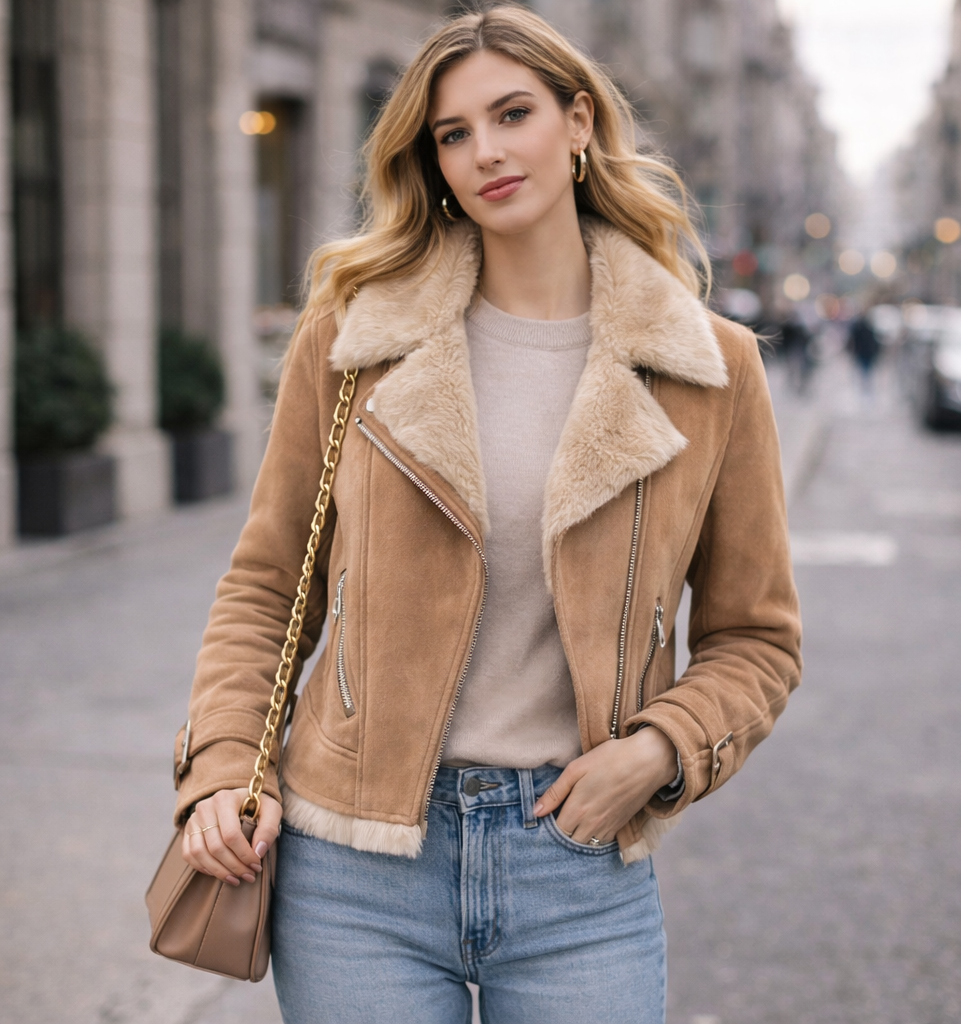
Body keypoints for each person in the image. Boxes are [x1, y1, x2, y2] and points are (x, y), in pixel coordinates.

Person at [172, 7, 801, 1022]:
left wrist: (657, 752)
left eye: (513, 114)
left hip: (577, 865)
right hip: (355, 867)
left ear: (579, 121)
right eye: (453, 134)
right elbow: (267, 584)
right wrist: (220, 765)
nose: (486, 153)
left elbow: (756, 639)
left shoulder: (709, 367)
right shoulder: (354, 337)